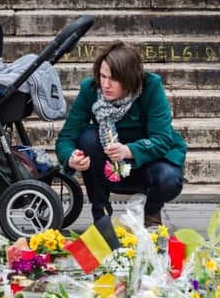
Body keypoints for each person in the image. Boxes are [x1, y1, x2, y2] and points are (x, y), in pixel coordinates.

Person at [55, 41, 187, 226]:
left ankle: (150, 213)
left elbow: (163, 139)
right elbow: (67, 137)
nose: (106, 84)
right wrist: (70, 157)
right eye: (103, 76)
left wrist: (128, 150)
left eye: (114, 79)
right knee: (87, 138)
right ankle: (100, 214)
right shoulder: (91, 89)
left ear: (129, 78)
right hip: (108, 166)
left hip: (147, 163)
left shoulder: (151, 86)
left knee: (168, 179)